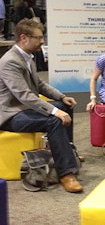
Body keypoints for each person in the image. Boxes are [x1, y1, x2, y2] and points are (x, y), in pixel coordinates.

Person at [0, 19, 83, 192]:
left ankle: (67, 152)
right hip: (10, 114)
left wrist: (61, 97)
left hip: (24, 108)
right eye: (38, 37)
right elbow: (24, 95)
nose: (42, 41)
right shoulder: (10, 61)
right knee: (53, 119)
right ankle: (66, 173)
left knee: (64, 106)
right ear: (24, 38)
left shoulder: (28, 57)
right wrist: (54, 111)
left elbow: (39, 85)